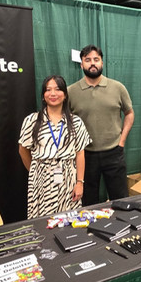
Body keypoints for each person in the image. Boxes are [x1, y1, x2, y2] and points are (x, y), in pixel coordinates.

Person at [67, 45, 134, 205]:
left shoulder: (117, 88)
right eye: (87, 60)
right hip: (85, 156)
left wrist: (122, 141)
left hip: (114, 152)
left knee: (121, 200)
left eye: (96, 59)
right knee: (89, 203)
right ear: (82, 64)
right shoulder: (71, 92)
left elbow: (129, 113)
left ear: (102, 63)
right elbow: (66, 122)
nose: (92, 63)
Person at [18, 75, 92, 219]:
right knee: (42, 222)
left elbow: (80, 153)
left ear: (64, 95)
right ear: (43, 96)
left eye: (57, 89)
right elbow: (22, 150)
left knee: (69, 220)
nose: (53, 94)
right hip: (41, 179)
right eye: (48, 90)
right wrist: (35, 170)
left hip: (68, 179)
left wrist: (79, 183)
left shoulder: (76, 122)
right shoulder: (32, 120)